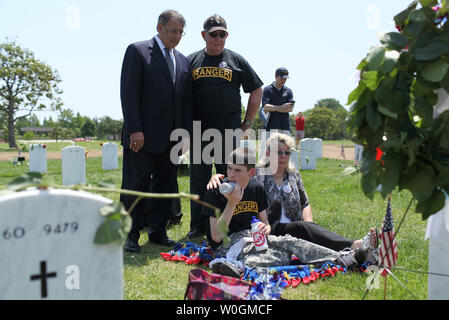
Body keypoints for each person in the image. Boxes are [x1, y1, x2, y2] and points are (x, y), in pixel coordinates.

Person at [202, 147, 370, 278]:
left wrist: (265, 228)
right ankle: (233, 265)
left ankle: (342, 258)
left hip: (252, 239)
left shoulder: (256, 188)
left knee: (287, 247)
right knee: (280, 255)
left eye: (237, 170)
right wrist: (231, 204)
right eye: (229, 169)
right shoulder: (215, 191)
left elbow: (265, 222)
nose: (231, 175)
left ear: (251, 172)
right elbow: (216, 236)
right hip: (227, 244)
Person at [120, 10, 192, 253]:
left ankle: (158, 233)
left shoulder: (182, 60)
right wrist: (134, 130)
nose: (177, 36)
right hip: (142, 137)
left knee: (164, 187)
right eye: (173, 30)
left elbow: (183, 102)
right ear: (159, 27)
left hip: (171, 139)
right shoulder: (138, 51)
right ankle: (130, 235)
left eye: (181, 32)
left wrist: (184, 134)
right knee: (134, 187)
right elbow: (129, 95)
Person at [186, 14, 263, 239]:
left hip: (229, 131)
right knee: (199, 181)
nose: (218, 38)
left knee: (230, 177)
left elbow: (257, 89)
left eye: (222, 34)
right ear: (204, 35)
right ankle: (198, 225)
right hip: (199, 131)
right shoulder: (191, 61)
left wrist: (247, 123)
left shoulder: (236, 61)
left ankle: (228, 222)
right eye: (213, 34)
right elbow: (180, 96)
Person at [262, 67, 294, 136]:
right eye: (281, 78)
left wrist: (273, 108)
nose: (283, 80)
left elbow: (290, 109)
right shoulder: (267, 89)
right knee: (268, 147)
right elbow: (265, 107)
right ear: (275, 76)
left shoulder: (289, 91)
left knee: (286, 147)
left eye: (285, 78)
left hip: (285, 127)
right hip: (269, 127)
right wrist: (282, 107)